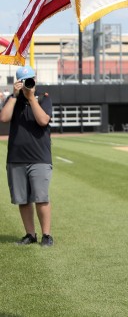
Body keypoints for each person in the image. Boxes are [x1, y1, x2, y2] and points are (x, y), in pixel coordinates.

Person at [0, 65, 54, 247]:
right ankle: (30, 234)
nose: (27, 84)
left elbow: (43, 120)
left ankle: (46, 235)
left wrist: (31, 99)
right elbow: (4, 118)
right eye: (23, 81)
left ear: (35, 79)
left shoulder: (44, 98)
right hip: (16, 158)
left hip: (39, 157)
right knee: (22, 200)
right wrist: (14, 96)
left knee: (41, 198)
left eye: (29, 80)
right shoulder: (13, 100)